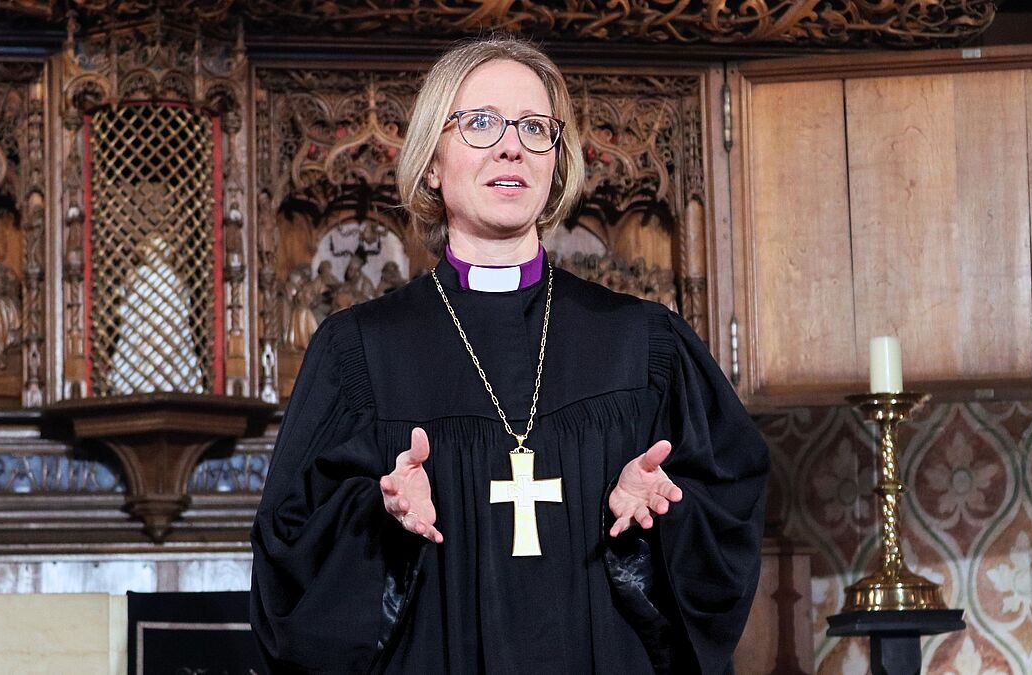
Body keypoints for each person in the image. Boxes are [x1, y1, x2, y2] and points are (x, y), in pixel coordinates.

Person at [251, 37, 769, 675]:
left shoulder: (642, 344)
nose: (511, 145)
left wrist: (662, 512)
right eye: (480, 123)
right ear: (432, 162)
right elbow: (287, 558)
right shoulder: (359, 350)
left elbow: (729, 518)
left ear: (555, 163)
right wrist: (379, 516)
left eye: (533, 127)